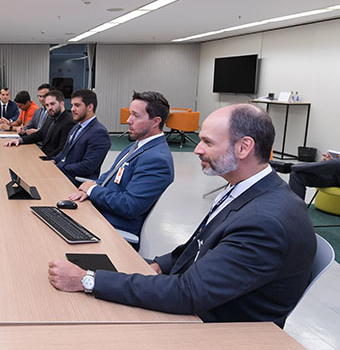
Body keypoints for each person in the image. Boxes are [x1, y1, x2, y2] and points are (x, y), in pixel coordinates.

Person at [48, 104, 315, 328]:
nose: (196, 149)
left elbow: (189, 294)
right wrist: (157, 266)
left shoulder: (266, 222)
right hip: (200, 304)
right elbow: (197, 246)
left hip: (216, 330)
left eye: (207, 142)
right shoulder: (247, 190)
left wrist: (87, 280)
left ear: (244, 147)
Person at [68, 91, 174, 240]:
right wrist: (91, 186)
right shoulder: (139, 145)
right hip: (100, 213)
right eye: (130, 114)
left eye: (135, 116)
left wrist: (92, 190)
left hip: (112, 228)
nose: (128, 120)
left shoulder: (157, 159)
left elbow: (129, 205)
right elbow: (110, 175)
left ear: (156, 121)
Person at [53, 89, 111, 185]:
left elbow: (87, 167)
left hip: (76, 182)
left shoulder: (99, 133)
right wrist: (53, 161)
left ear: (90, 107)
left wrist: (60, 166)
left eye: (77, 105)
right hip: (63, 175)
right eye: (72, 105)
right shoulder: (77, 126)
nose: (72, 109)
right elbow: (64, 152)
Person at [3, 89, 74, 158]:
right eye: (47, 105)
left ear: (62, 103)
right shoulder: (51, 117)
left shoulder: (68, 122)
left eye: (52, 104)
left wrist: (44, 158)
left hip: (50, 160)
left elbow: (62, 150)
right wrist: (20, 140)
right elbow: (40, 134)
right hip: (42, 154)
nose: (49, 108)